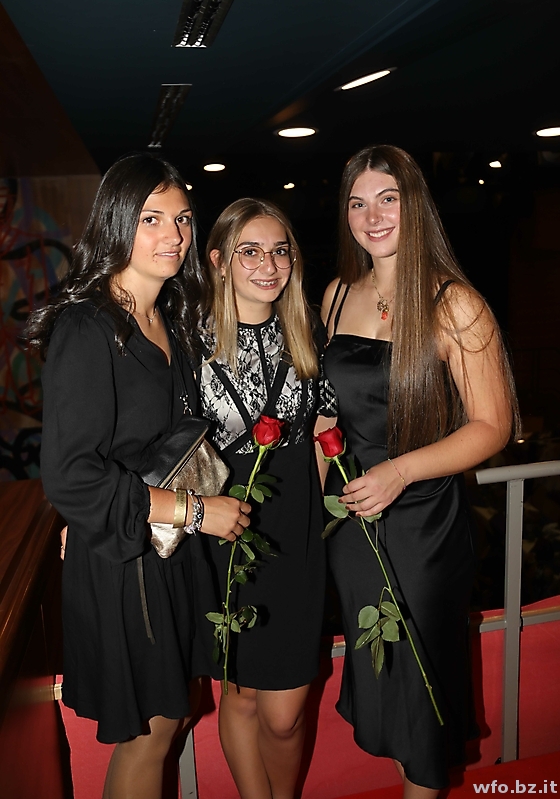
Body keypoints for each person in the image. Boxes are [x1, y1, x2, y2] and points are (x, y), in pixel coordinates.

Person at [26, 154, 251, 799]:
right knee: (151, 731)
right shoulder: (88, 325)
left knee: (170, 720)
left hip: (164, 549)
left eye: (182, 219)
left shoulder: (167, 319)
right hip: (129, 559)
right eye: (152, 219)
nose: (174, 236)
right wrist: (198, 512)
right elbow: (71, 473)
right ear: (116, 222)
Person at [317, 144, 519, 799]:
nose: (372, 216)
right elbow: (325, 411)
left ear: (416, 206)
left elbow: (492, 425)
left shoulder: (454, 303)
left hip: (423, 526)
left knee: (423, 696)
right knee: (386, 683)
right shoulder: (336, 294)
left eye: (388, 199)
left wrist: (399, 472)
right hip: (354, 523)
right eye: (358, 203)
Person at [191, 198, 326, 799]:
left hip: (296, 535)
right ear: (218, 260)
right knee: (240, 696)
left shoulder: (308, 333)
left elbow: (326, 432)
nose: (268, 266)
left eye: (280, 251)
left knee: (285, 714)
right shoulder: (188, 340)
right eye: (250, 251)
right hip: (224, 535)